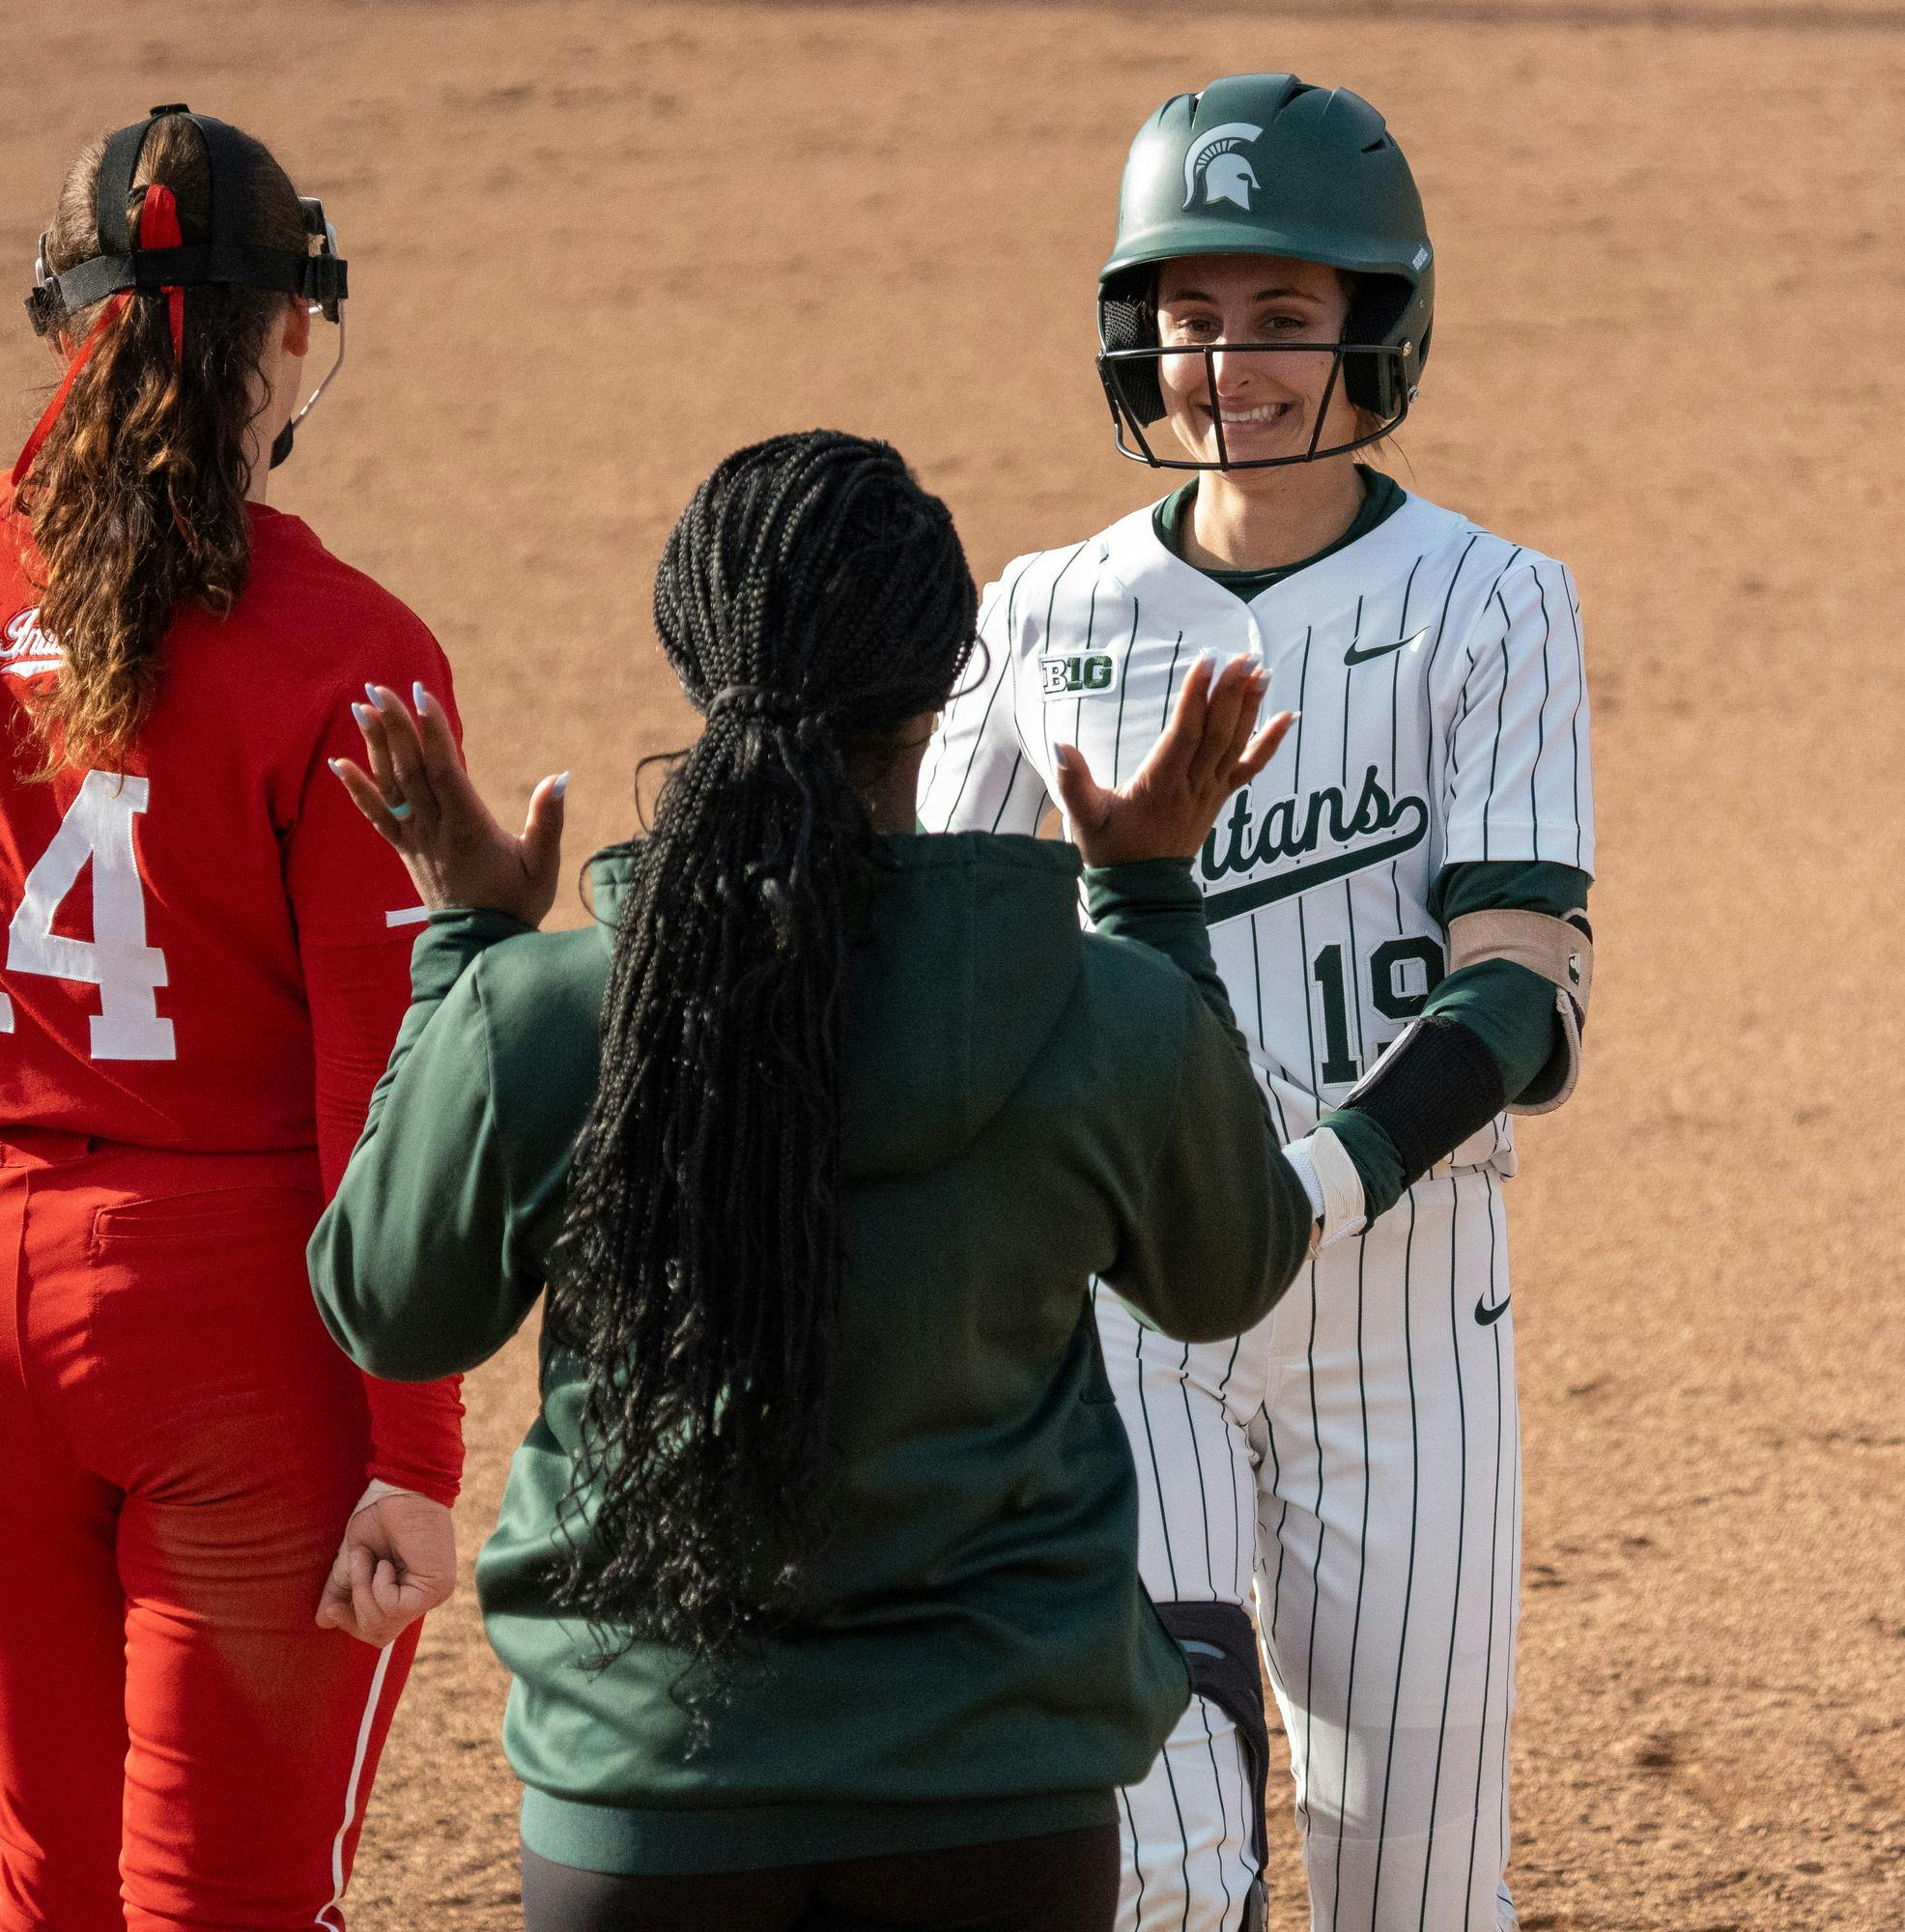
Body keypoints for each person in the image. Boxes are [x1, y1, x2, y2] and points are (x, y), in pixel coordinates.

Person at [308, 429, 1317, 1932]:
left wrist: (464, 949)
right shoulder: (1104, 1012)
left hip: (643, 1797)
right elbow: (1233, 1269)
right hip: (997, 1797)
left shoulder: (544, 1019)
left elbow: (386, 1310)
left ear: (689, 653)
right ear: (945, 682)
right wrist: (1157, 908)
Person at [918, 73, 1596, 1932]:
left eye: (1284, 318)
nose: (1230, 366)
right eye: (1192, 317)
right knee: (1155, 1855)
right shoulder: (1040, 613)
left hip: (1406, 1307)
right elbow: (919, 934)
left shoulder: (1494, 602)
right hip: (1129, 1310)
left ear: (1377, 323)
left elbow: (1520, 993)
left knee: (1421, 1888)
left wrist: (1308, 1189)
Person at [0, 105, 464, 1930]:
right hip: (246, 1329)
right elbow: (387, 1098)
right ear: (292, 334)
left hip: (7, 1293)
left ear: (65, 334)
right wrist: (416, 1459)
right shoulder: (354, 650)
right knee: (236, 1910)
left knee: (54, 1902)